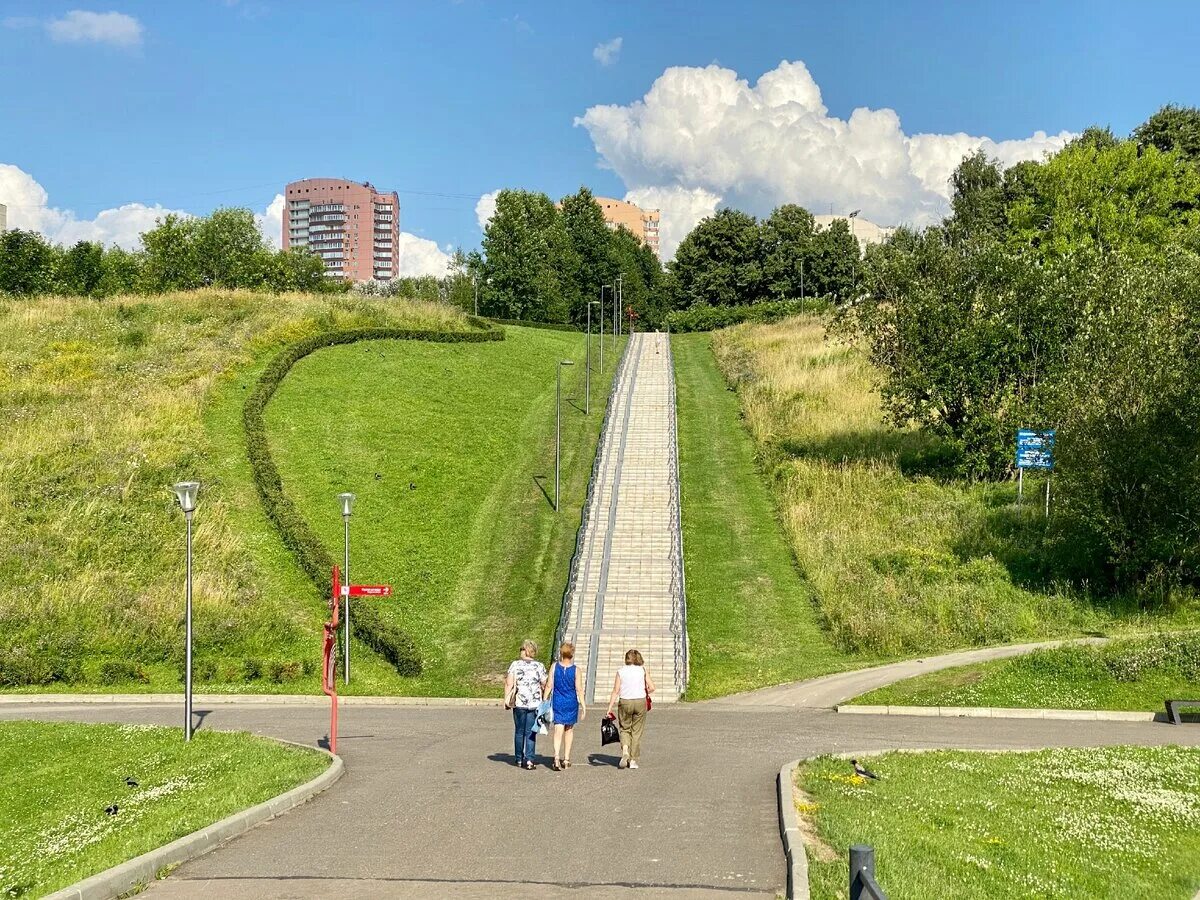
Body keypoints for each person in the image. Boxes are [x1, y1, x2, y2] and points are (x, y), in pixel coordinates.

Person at [604, 648, 655, 769]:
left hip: (625, 701)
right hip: (640, 701)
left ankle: (625, 750)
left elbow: (615, 691)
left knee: (625, 728)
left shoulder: (621, 671)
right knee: (636, 731)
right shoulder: (642, 670)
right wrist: (643, 690)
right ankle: (633, 760)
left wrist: (609, 708)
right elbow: (652, 687)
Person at [504, 639, 547, 770]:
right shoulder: (539, 666)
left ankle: (518, 759)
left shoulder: (515, 665)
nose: (520, 651)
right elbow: (545, 684)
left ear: (526, 650)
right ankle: (529, 760)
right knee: (530, 731)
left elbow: (509, 684)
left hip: (519, 702)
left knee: (519, 731)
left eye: (521, 649)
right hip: (534, 702)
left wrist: (506, 699)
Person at [545, 642, 586, 771]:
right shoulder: (576, 670)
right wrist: (584, 706)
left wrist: (544, 700)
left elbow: (549, 685)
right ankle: (566, 758)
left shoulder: (554, 666)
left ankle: (556, 757)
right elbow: (579, 689)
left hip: (558, 701)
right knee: (569, 730)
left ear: (561, 653)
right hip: (571, 701)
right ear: (572, 654)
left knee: (558, 730)